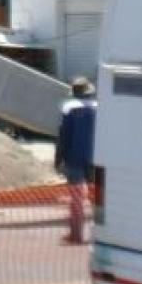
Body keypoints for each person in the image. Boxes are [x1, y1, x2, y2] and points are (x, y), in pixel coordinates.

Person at [55, 77, 97, 244]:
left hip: (74, 158)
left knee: (76, 199)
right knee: (97, 198)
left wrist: (58, 158)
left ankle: (76, 234)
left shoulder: (68, 109)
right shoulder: (98, 108)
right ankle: (100, 235)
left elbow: (63, 136)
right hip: (95, 158)